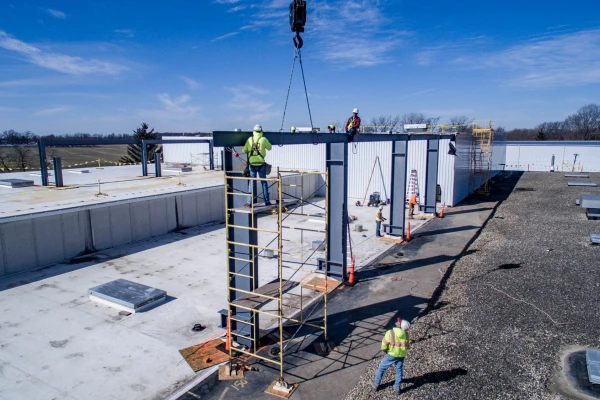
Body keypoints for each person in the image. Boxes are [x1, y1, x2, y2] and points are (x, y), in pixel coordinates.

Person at [372, 318, 411, 394]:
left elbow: (384, 345)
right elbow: (407, 346)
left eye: (399, 322)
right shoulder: (406, 335)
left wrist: (385, 350)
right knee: (399, 370)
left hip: (391, 354)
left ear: (400, 325)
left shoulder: (390, 332)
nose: (397, 322)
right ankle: (397, 389)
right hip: (401, 356)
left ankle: (376, 384)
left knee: (381, 368)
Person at [242, 125, 272, 207]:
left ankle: (249, 202)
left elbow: (244, 150)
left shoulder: (250, 140)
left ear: (254, 131)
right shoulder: (263, 139)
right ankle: (267, 201)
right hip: (261, 164)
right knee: (264, 183)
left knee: (252, 183)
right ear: (261, 131)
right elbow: (270, 147)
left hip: (252, 164)